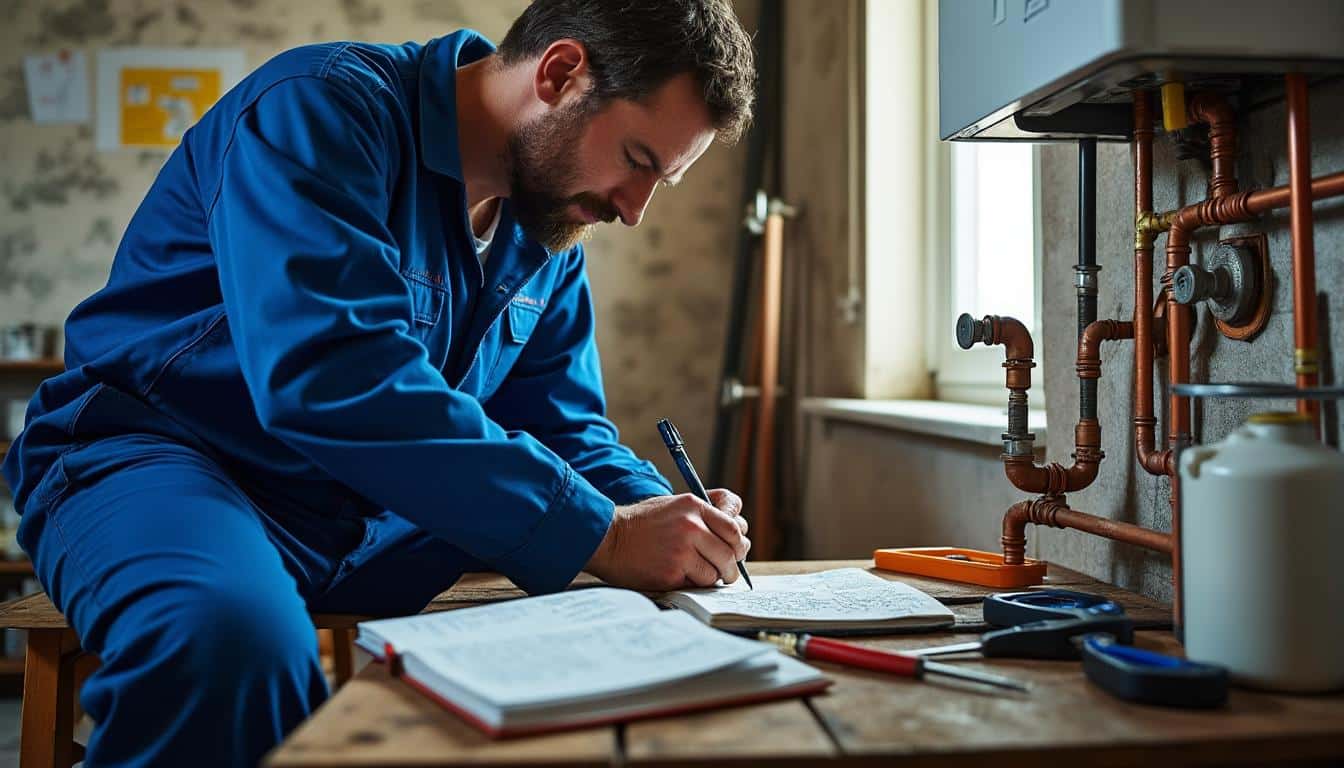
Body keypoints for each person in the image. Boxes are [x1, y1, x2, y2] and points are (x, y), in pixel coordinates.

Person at [1, 1, 756, 764]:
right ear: (560, 73)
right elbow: (330, 376)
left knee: (626, 634)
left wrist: (660, 511)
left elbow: (565, 430)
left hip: (353, 513)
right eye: (637, 161)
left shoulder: (549, 228)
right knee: (229, 648)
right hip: (153, 460)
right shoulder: (319, 109)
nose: (633, 212)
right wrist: (601, 532)